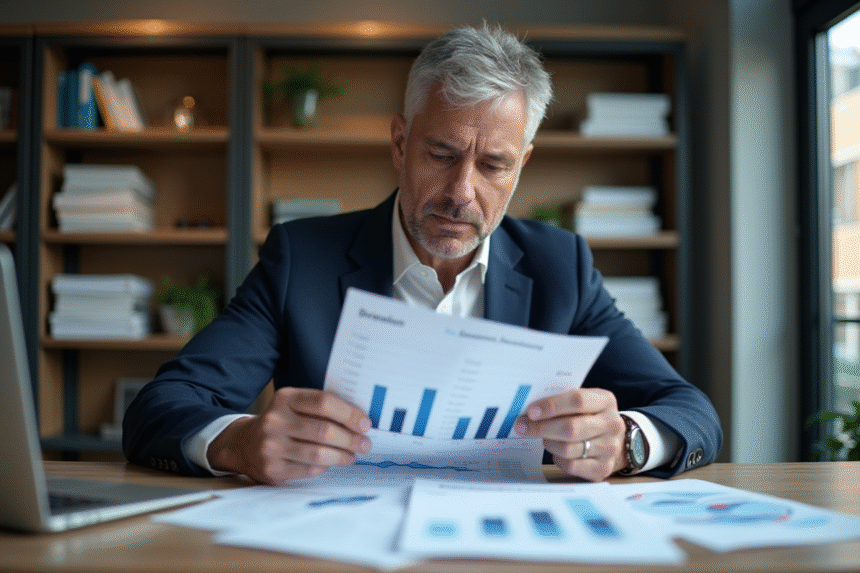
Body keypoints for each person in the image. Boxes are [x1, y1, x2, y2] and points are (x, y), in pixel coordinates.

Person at [123, 23, 722, 485]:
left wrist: (628, 442)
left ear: (522, 166)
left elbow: (692, 411)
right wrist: (240, 442)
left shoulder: (560, 266)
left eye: (493, 165)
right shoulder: (300, 259)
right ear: (400, 143)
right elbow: (159, 408)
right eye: (440, 154)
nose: (462, 194)